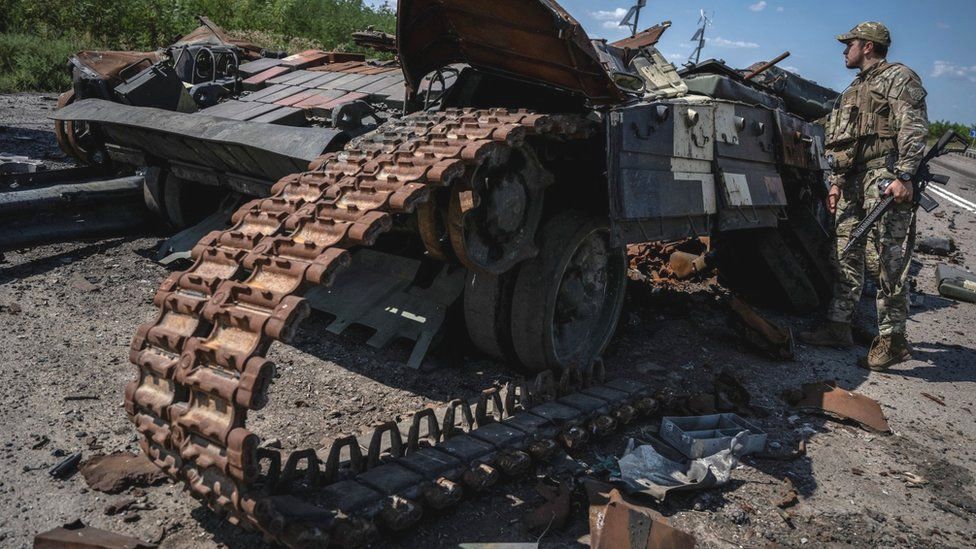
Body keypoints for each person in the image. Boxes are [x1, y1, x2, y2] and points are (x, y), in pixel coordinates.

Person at [799, 22, 929, 370]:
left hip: (884, 179)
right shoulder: (855, 89)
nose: (845, 50)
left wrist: (905, 175)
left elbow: (913, 128)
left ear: (868, 46)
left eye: (850, 44)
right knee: (845, 251)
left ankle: (893, 339)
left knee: (887, 260)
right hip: (854, 182)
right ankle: (838, 326)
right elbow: (846, 142)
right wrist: (837, 182)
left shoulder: (898, 78)